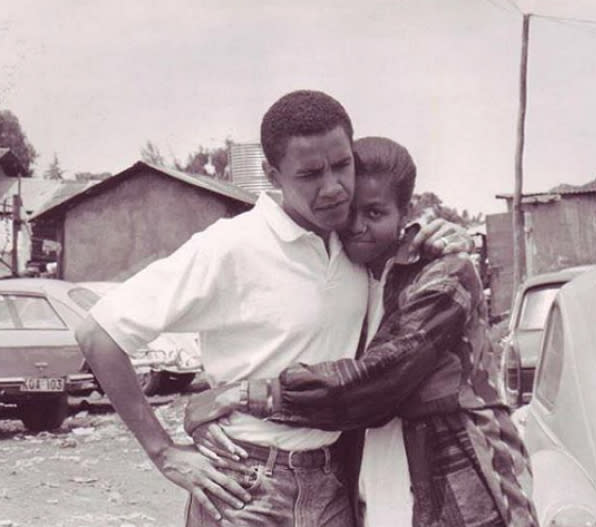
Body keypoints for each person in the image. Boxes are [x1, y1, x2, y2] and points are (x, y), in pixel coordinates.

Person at [75, 90, 470, 527]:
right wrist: (164, 452)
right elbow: (99, 334)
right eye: (310, 174)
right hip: (246, 485)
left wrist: (442, 236)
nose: (333, 188)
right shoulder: (231, 246)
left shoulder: (352, 243)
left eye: (342, 165)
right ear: (272, 174)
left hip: (336, 484)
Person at [185, 137, 539, 527]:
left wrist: (240, 395)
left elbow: (375, 382)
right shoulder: (345, 274)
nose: (357, 226)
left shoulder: (444, 272)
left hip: (456, 467)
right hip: (370, 471)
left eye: (374, 212)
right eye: (349, 210)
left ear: (405, 212)